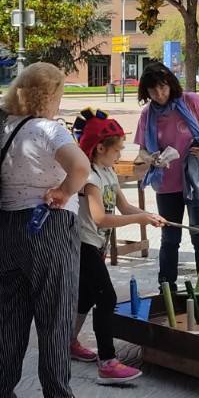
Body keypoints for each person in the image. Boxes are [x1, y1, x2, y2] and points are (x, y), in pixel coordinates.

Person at [0, 63, 92, 398]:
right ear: (51, 95)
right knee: (56, 313)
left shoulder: (0, 130)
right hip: (48, 226)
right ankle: (58, 396)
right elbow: (81, 168)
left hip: (7, 228)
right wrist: (64, 191)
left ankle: (0, 393)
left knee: (10, 315)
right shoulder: (49, 130)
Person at [71, 112, 165, 383]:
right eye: (117, 149)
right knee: (107, 298)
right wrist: (140, 218)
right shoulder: (90, 177)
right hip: (84, 244)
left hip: (96, 244)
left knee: (87, 296)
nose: (119, 154)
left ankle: (68, 342)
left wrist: (150, 215)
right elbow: (100, 218)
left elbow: (124, 207)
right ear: (100, 148)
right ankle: (107, 362)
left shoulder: (108, 171)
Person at [134, 62, 199, 285]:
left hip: (197, 180)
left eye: (163, 87)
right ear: (146, 92)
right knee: (170, 238)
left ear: (171, 84)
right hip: (166, 184)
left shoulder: (190, 101)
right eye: (153, 91)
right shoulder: (147, 115)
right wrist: (152, 158)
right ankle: (167, 288)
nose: (160, 94)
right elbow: (142, 151)